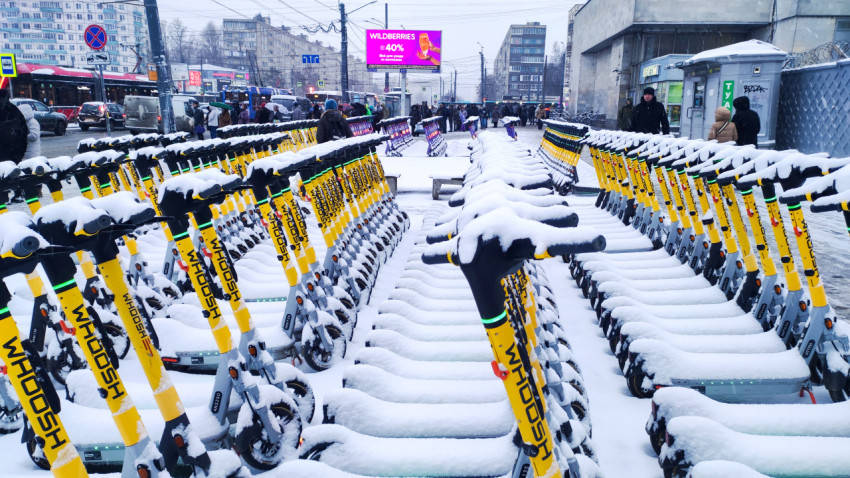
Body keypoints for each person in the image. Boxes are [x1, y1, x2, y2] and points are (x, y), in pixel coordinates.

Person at [0, 89, 28, 163]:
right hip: (11, 160)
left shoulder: (13, 111)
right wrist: (16, 158)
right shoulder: (14, 110)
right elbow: (23, 136)